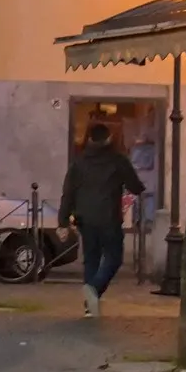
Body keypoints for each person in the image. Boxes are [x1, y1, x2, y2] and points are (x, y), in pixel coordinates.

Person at [58, 123, 147, 318]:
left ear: (89, 138)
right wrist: (139, 187)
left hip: (85, 219)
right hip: (109, 218)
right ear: (108, 138)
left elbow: (68, 193)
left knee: (91, 259)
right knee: (114, 258)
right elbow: (135, 186)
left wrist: (62, 221)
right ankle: (95, 289)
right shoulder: (117, 160)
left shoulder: (79, 162)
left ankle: (90, 307)